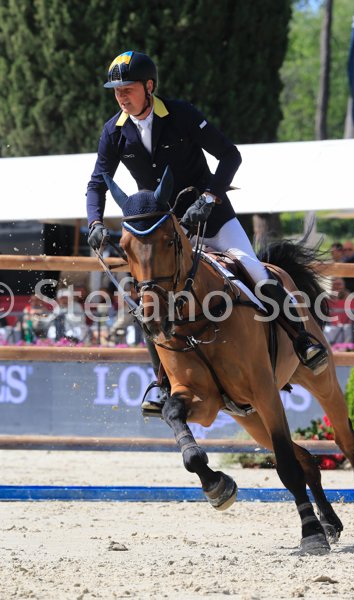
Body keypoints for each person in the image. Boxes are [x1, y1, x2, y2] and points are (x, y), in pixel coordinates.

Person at [86, 50, 328, 413]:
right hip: (167, 235)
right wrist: (94, 222)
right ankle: (162, 384)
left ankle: (302, 340)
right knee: (149, 304)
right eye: (116, 90)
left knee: (256, 272)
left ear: (149, 87)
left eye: (128, 88)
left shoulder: (181, 114)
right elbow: (96, 183)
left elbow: (230, 155)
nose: (121, 96)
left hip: (213, 220)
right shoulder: (114, 131)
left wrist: (210, 197)